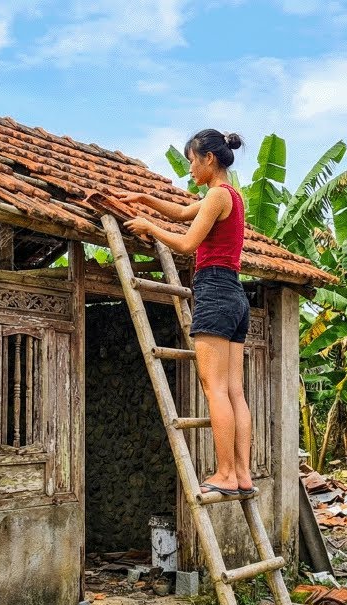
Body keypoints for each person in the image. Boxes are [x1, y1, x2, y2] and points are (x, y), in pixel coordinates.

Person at [118, 129, 254, 498]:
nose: (191, 168)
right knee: (235, 391)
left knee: (215, 389)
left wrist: (149, 227)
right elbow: (180, 212)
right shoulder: (231, 197)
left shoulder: (215, 196)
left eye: (193, 160)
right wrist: (144, 199)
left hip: (213, 290)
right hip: (235, 295)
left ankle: (225, 473)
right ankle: (242, 474)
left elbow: (187, 242)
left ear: (209, 158)